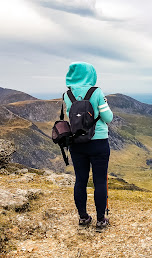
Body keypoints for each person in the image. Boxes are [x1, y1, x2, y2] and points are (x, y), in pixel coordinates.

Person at [63, 62, 113, 228]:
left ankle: (83, 217)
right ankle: (101, 220)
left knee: (81, 181)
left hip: (77, 143)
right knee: (99, 181)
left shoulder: (67, 95)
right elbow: (108, 118)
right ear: (91, 75)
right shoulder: (96, 92)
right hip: (98, 142)